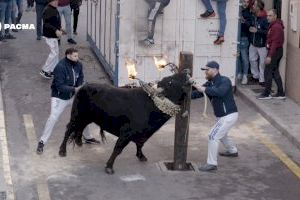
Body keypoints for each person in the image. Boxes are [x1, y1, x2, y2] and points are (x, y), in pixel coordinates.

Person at [36, 48, 100, 155]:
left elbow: (81, 77)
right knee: (53, 118)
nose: (77, 58)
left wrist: (79, 87)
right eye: (75, 56)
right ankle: (42, 141)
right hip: (59, 97)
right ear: (68, 56)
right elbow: (59, 86)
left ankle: (87, 137)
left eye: (77, 56)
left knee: (84, 114)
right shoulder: (60, 67)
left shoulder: (78, 64)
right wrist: (75, 89)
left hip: (73, 95)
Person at [192, 61, 239, 172]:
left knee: (213, 136)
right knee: (222, 135)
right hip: (222, 116)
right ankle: (232, 150)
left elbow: (220, 92)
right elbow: (197, 94)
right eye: (205, 70)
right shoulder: (209, 83)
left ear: (215, 70)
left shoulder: (225, 81)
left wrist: (203, 89)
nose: (205, 72)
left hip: (229, 115)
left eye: (207, 70)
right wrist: (185, 92)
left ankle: (212, 164)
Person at [257, 9, 285, 100]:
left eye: (270, 16)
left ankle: (266, 93)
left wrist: (269, 56)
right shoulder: (273, 25)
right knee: (274, 71)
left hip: (275, 51)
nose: (267, 17)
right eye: (267, 15)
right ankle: (281, 93)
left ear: (275, 16)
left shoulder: (276, 27)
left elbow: (275, 43)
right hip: (276, 50)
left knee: (268, 71)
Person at [40, 0, 63, 79]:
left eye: (57, 0)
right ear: (50, 2)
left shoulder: (54, 8)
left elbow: (55, 21)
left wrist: (60, 28)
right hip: (49, 35)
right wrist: (56, 30)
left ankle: (54, 70)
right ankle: (44, 70)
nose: (56, 2)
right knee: (54, 53)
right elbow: (46, 24)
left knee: (56, 53)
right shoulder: (48, 10)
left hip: (53, 35)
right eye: (54, 1)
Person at [248, 0, 268, 86]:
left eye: (254, 5)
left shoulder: (265, 18)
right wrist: (249, 27)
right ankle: (255, 76)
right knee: (252, 59)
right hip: (253, 43)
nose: (252, 6)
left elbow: (267, 32)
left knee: (262, 63)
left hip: (262, 45)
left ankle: (262, 80)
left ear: (259, 7)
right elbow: (251, 25)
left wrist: (257, 31)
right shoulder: (254, 16)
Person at [237, 0, 252, 85]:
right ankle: (239, 72)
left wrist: (244, 20)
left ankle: (245, 75)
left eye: (247, 2)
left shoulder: (248, 12)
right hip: (236, 37)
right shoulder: (237, 10)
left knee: (244, 57)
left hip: (243, 37)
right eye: (244, 1)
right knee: (237, 56)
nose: (245, 3)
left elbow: (250, 25)